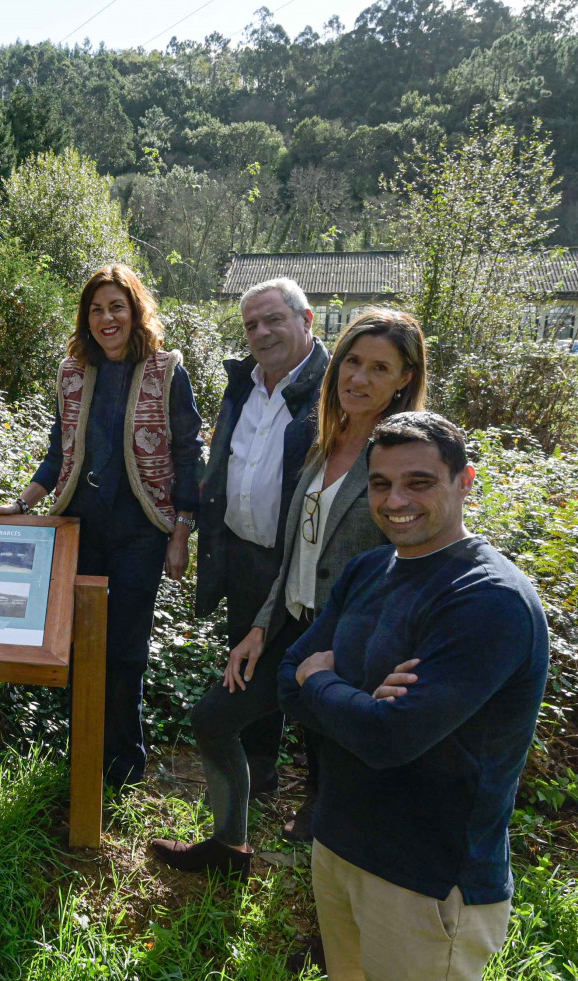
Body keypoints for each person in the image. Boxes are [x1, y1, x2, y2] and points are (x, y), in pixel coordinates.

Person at [152, 309, 427, 874]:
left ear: (404, 379)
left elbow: (420, 563)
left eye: (381, 368)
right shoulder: (327, 439)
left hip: (359, 645)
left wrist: (361, 651)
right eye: (352, 361)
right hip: (295, 628)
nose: (360, 378)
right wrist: (259, 626)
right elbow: (296, 551)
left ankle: (339, 924)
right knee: (214, 718)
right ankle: (229, 847)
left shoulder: (402, 456)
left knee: (346, 779)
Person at [277, 412, 548, 981]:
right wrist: (360, 701)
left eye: (419, 482)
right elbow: (286, 676)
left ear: (465, 482)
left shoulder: (486, 599)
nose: (396, 498)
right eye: (380, 483)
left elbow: (387, 736)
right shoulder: (369, 568)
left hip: (428, 881)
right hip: (339, 842)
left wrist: (324, 682)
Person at [0, 265, 203, 788]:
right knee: (79, 643)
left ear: (135, 311)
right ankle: (81, 752)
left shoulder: (166, 370)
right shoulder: (72, 372)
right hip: (78, 526)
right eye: (96, 309)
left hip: (140, 532)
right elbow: (60, 452)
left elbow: (189, 453)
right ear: (86, 318)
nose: (107, 318)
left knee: (126, 649)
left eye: (117, 307)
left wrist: (180, 532)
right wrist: (22, 503)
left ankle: (123, 767)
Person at [194, 278, 329, 810]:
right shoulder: (242, 384)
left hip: (305, 564)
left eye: (273, 319)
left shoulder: (334, 388)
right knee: (248, 674)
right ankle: (258, 776)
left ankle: (321, 803)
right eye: (251, 324)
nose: (262, 332)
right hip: (246, 556)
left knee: (318, 676)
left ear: (307, 319)